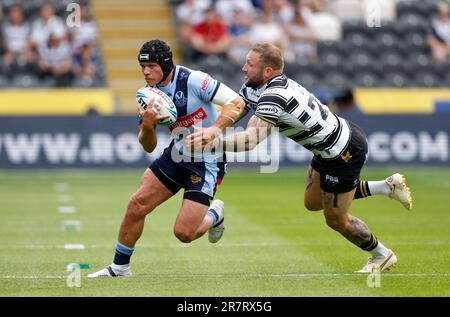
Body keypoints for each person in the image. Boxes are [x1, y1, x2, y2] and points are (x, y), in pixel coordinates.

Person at [190, 43, 413, 273]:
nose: (244, 68)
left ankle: (382, 255)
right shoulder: (255, 86)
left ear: (267, 71)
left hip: (344, 152)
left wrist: (213, 142)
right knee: (312, 202)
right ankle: (387, 187)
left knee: (335, 218)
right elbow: (236, 110)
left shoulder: (275, 95)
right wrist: (212, 129)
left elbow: (251, 139)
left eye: (250, 64)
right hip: (328, 148)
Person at [88, 39, 245, 277]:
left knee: (184, 233)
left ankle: (214, 214)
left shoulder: (193, 80)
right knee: (136, 204)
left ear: (165, 64)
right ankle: (120, 268)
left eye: (151, 66)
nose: (146, 72)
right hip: (176, 154)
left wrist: (214, 130)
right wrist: (149, 126)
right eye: (142, 67)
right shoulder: (148, 95)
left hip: (206, 162)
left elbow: (238, 103)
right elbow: (147, 146)